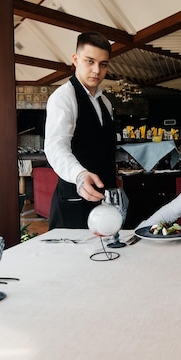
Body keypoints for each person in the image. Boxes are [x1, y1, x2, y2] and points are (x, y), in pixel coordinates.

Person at [44, 32, 117, 229]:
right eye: (90, 61)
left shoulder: (106, 103)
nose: (97, 70)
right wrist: (79, 175)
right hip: (74, 205)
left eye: (103, 64)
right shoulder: (64, 98)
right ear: (75, 59)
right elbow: (55, 146)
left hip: (105, 204)